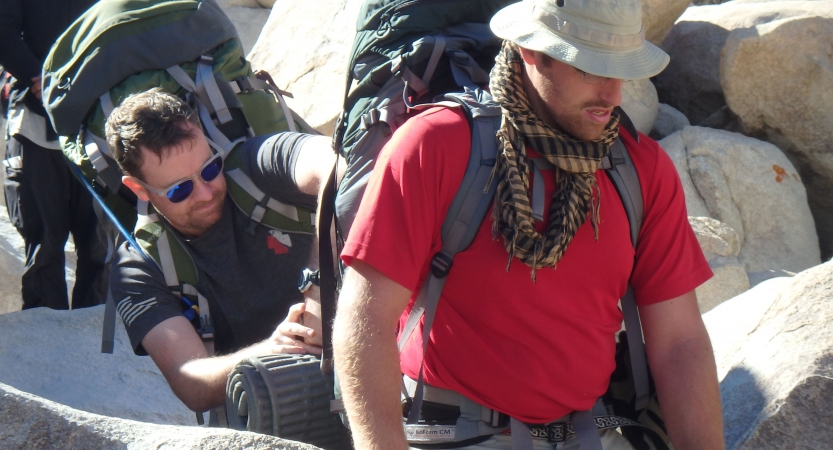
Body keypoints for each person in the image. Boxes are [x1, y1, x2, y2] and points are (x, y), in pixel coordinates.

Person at [332, 0, 725, 449]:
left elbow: (679, 341)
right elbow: (365, 319)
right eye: (592, 69)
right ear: (531, 52)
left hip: (589, 432)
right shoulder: (435, 146)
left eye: (621, 71)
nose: (613, 96)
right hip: (456, 433)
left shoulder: (641, 169)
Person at [106, 89, 335, 413]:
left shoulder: (256, 165)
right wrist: (273, 349)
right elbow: (191, 382)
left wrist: (317, 291)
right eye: (179, 189)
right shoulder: (138, 267)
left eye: (210, 169)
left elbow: (344, 165)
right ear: (139, 189)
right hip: (269, 401)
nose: (204, 192)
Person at [0, 0, 106, 310]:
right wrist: (42, 77)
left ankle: (93, 348)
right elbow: (3, 31)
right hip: (35, 127)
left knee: (100, 252)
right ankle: (47, 347)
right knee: (44, 249)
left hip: (97, 127)